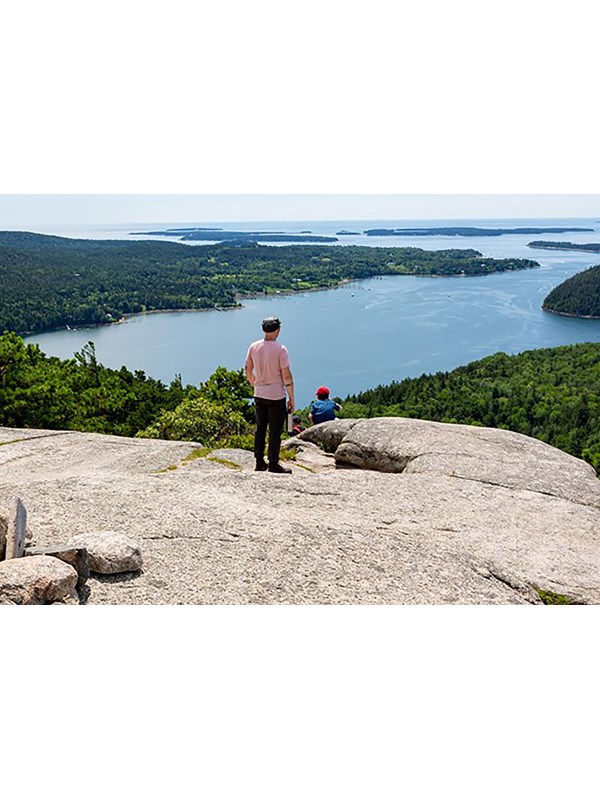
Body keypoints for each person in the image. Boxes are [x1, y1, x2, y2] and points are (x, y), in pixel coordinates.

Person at [245, 316, 295, 474]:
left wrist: (254, 383)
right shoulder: (281, 349)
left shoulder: (254, 346)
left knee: (260, 429)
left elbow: (248, 367)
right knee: (275, 431)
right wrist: (291, 397)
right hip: (276, 396)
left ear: (263, 330)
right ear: (278, 330)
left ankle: (259, 461)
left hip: (259, 394)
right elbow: (286, 376)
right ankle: (273, 463)